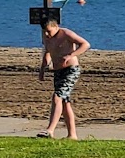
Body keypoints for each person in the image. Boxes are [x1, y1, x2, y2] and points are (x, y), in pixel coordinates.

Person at [37, 9, 91, 138]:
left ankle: (50, 130)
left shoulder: (66, 34)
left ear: (56, 27)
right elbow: (48, 52)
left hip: (71, 70)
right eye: (44, 31)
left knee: (57, 97)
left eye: (49, 31)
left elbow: (85, 44)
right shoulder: (45, 36)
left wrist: (71, 55)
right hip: (58, 71)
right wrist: (43, 68)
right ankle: (72, 135)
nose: (46, 34)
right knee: (65, 102)